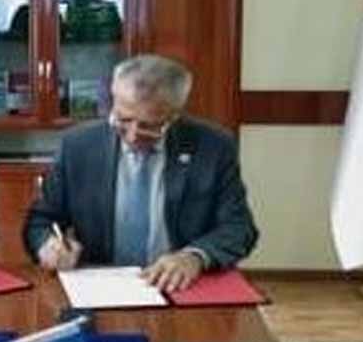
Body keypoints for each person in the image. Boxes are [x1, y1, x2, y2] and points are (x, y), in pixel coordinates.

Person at [23, 54, 258, 293]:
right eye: (123, 119)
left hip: (179, 285)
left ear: (174, 115)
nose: (133, 135)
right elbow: (41, 220)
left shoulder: (213, 147)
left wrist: (194, 257)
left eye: (149, 125)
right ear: (113, 101)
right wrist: (47, 245)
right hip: (100, 283)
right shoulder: (78, 146)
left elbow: (239, 228)